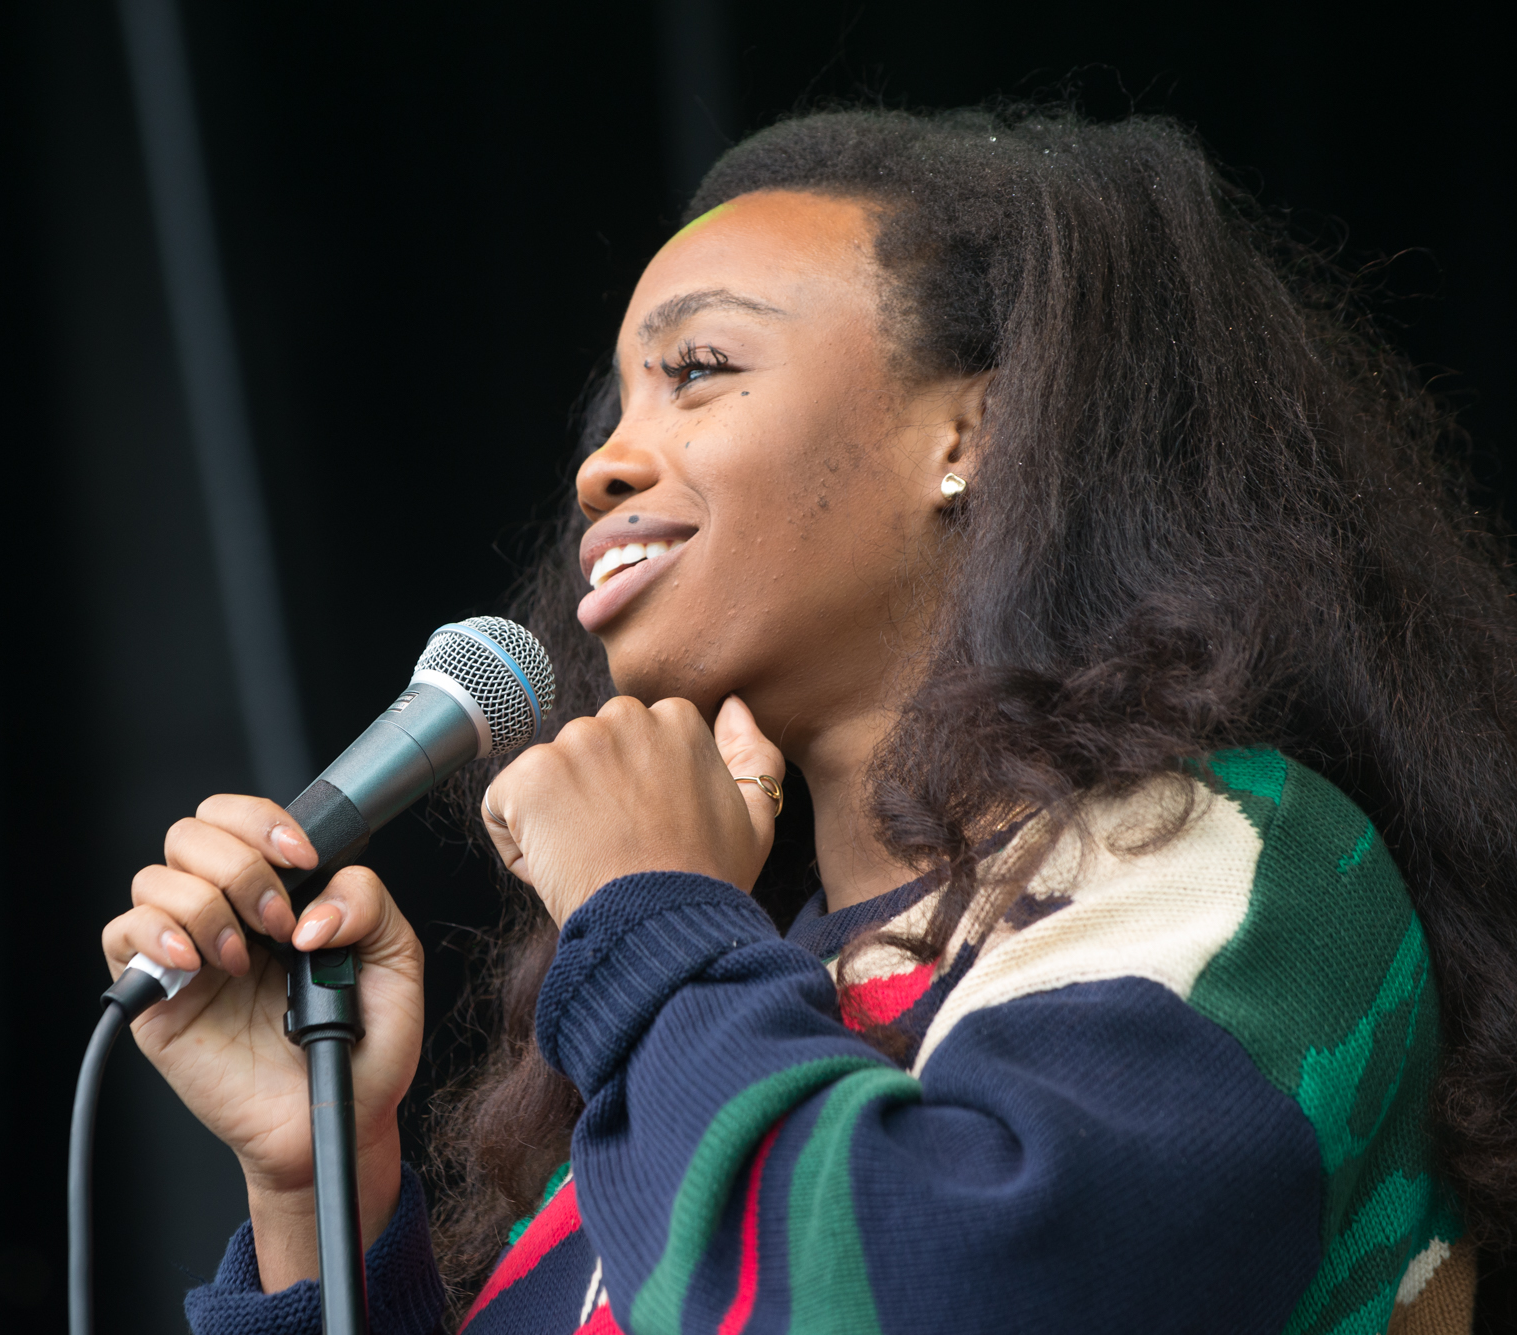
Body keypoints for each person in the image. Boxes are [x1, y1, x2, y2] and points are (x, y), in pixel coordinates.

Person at [101, 106, 1517, 1334]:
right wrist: (321, 1190)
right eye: (612, 408)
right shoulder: (730, 1004)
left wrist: (646, 915)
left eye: (698, 369)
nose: (604, 464)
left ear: (976, 433)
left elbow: (931, 1294)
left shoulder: (1231, 868)